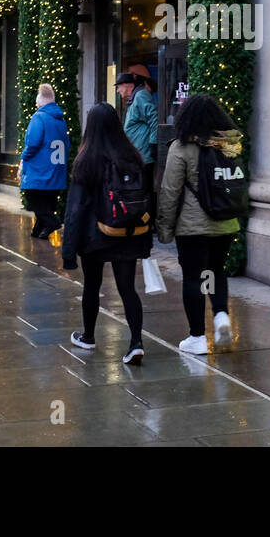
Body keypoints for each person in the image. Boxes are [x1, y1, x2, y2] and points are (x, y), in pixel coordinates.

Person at [61, 102, 150, 366]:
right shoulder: (133, 157)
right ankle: (136, 342)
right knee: (127, 288)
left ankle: (88, 336)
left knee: (92, 285)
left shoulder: (86, 160)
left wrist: (68, 252)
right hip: (129, 233)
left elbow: (74, 211)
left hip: (95, 235)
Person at [156, 93, 243, 355]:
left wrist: (164, 229)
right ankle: (220, 317)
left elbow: (170, 191)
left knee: (194, 278)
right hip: (226, 222)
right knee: (216, 271)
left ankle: (196, 337)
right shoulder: (229, 144)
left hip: (192, 227)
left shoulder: (181, 148)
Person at [19, 83, 69, 238]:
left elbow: (33, 143)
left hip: (39, 170)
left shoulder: (38, 117)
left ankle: (53, 223)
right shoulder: (60, 119)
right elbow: (67, 144)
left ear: (40, 102)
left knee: (33, 200)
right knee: (47, 204)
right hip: (56, 170)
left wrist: (23, 158)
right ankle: (39, 231)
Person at [117, 66, 158, 202]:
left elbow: (153, 118)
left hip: (144, 156)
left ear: (127, 85)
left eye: (119, 87)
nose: (117, 90)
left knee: (144, 191)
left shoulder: (141, 95)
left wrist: (153, 142)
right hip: (138, 156)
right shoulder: (135, 98)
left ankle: (148, 220)